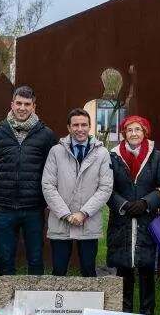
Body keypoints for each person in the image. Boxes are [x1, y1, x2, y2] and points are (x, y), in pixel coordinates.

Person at [0, 85, 56, 275]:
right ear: (12, 104)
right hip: (4, 207)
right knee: (6, 259)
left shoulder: (46, 134)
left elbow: (52, 169)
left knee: (35, 259)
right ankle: (7, 304)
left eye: (27, 104)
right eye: (18, 103)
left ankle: (35, 302)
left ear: (34, 106)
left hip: (33, 207)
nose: (22, 108)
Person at [107, 115, 160, 315]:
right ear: (124, 133)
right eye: (130, 130)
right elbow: (107, 188)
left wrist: (146, 202)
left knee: (146, 266)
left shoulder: (156, 156)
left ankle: (147, 311)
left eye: (138, 130)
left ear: (145, 133)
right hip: (122, 219)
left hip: (146, 219)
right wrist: (123, 205)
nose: (134, 134)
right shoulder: (113, 157)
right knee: (123, 266)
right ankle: (124, 309)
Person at [42, 109, 113, 277]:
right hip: (61, 221)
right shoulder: (56, 152)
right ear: (68, 127)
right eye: (75, 125)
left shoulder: (102, 153)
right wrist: (66, 214)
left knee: (88, 270)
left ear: (89, 127)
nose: (79, 129)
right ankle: (58, 303)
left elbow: (105, 188)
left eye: (84, 125)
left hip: (88, 222)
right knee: (59, 271)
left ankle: (88, 304)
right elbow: (48, 185)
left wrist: (83, 213)